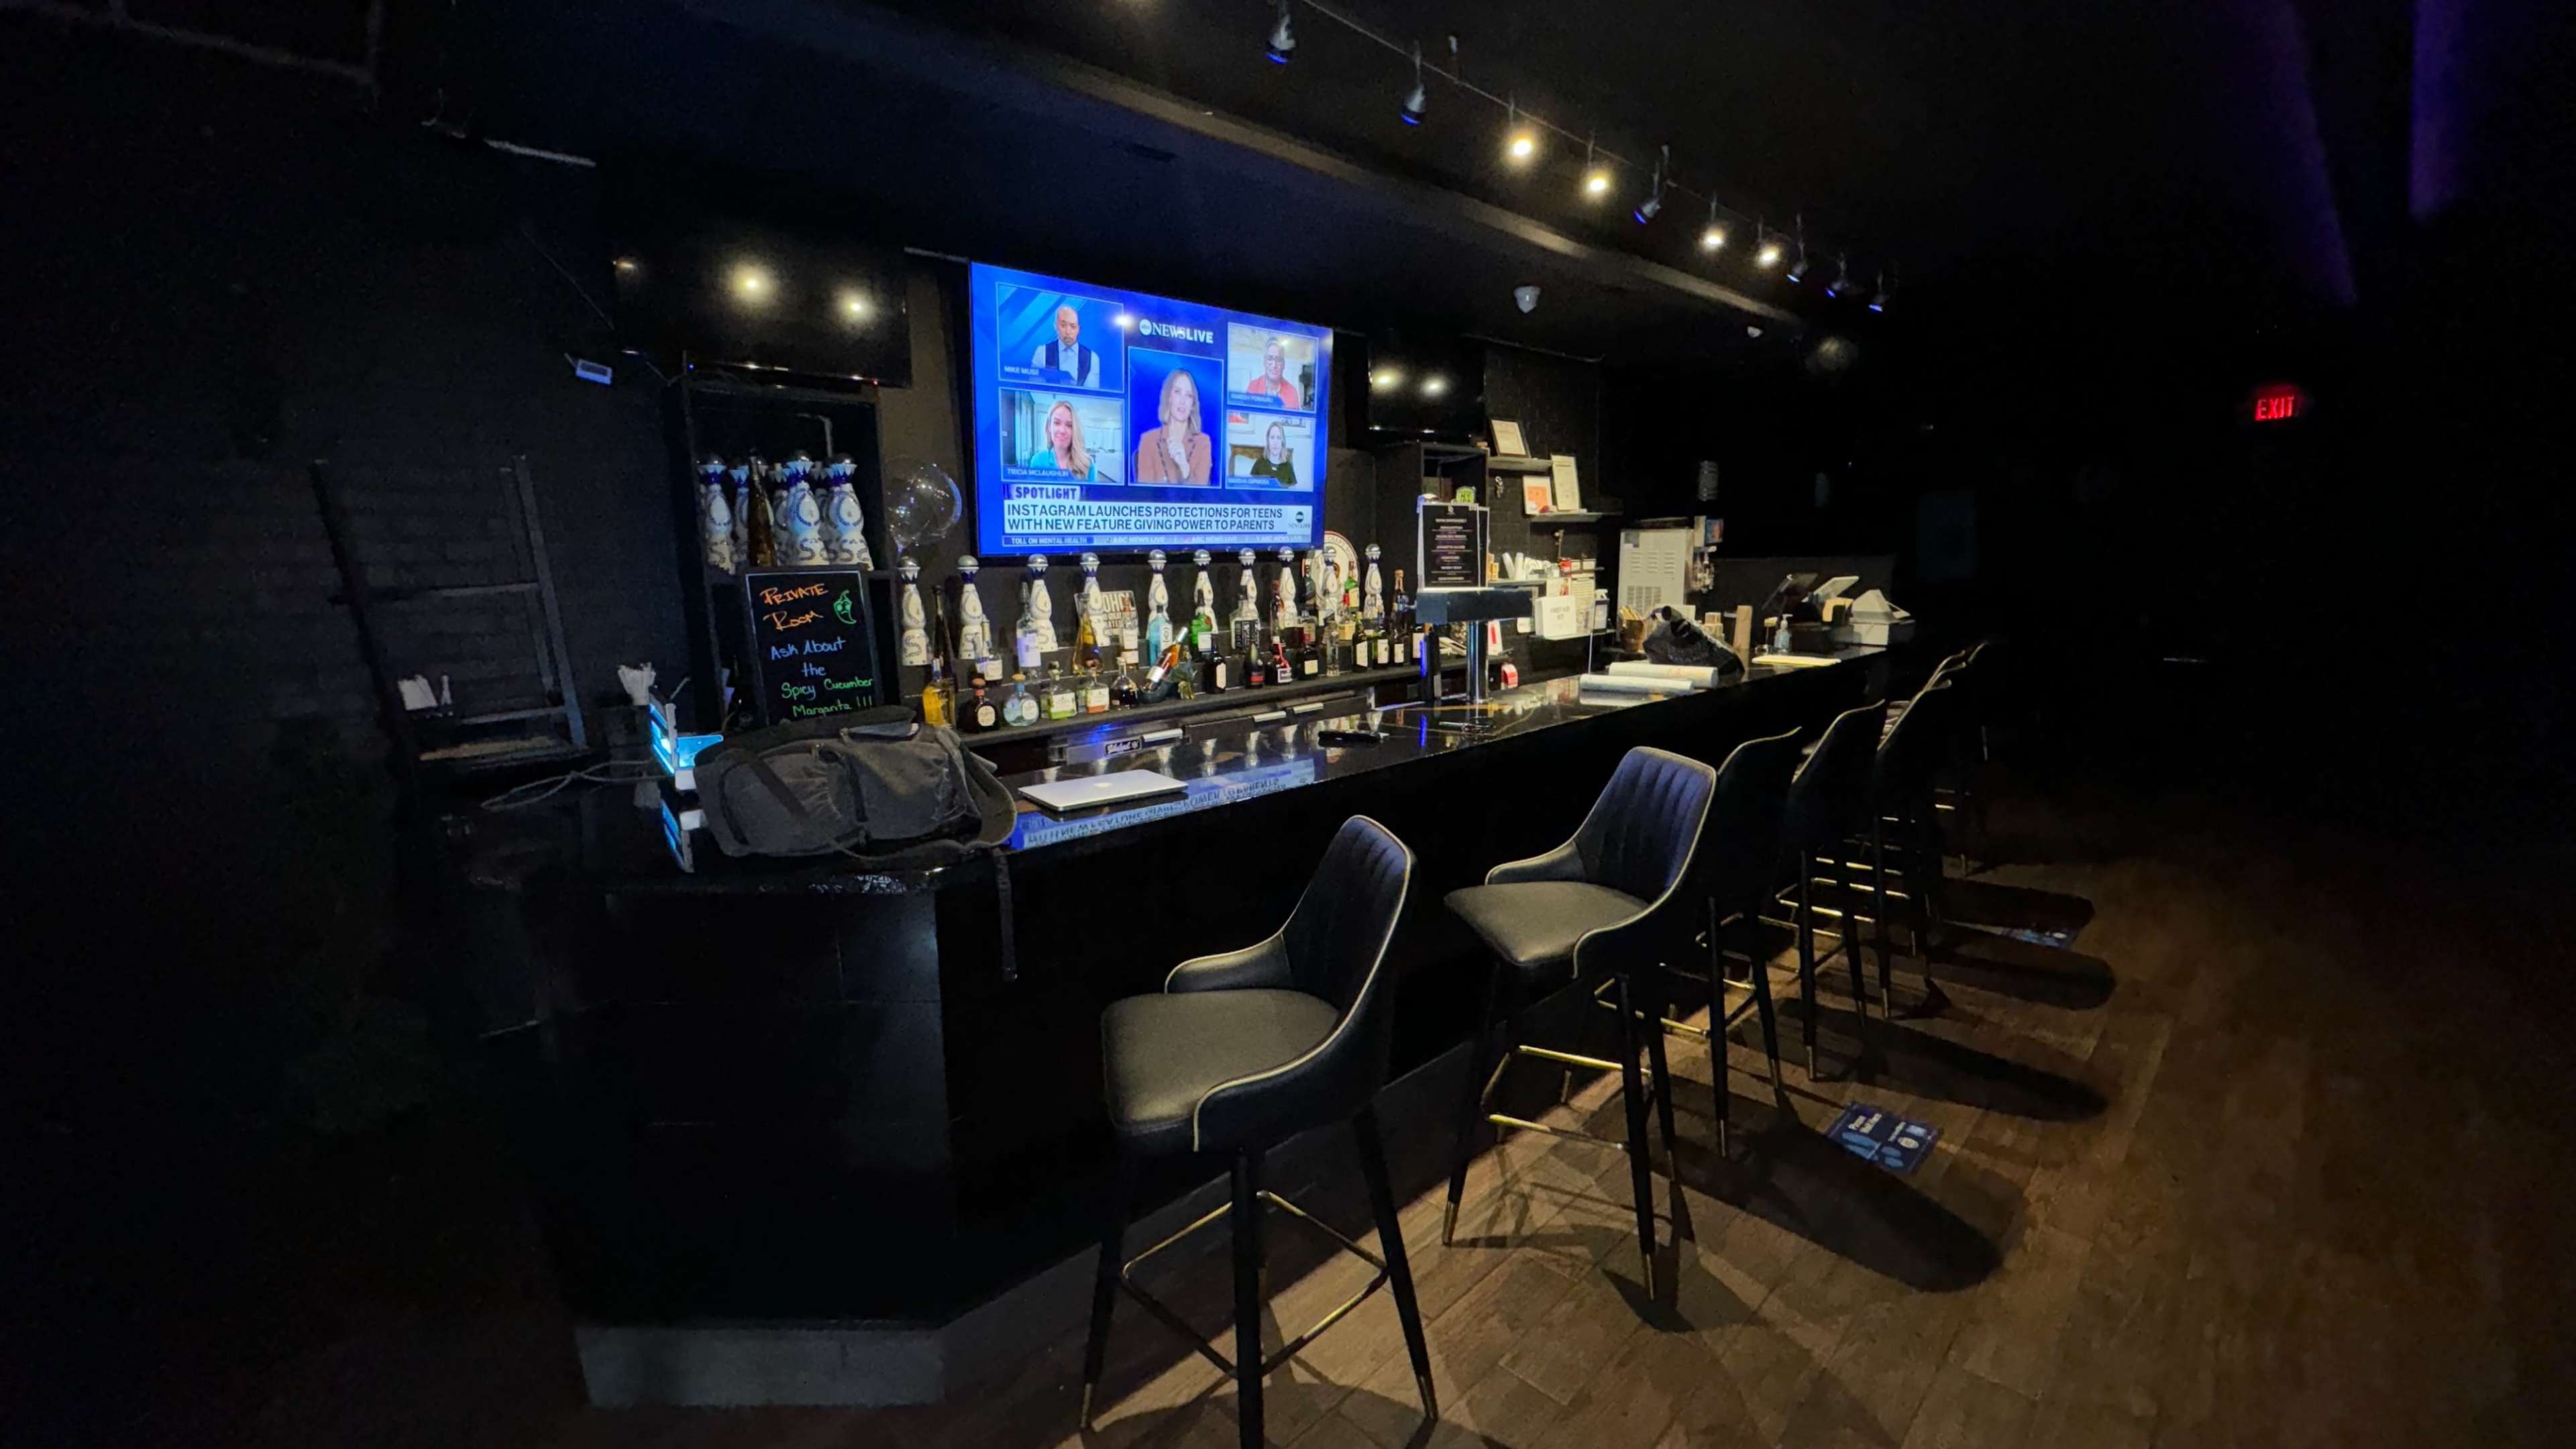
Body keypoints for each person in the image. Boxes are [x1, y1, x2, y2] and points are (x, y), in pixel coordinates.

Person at [1134, 366, 1212, 484]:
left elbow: (1202, 496)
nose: (1183, 401)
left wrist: (1185, 467)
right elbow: (1145, 494)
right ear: (1169, 397)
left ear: (1192, 404)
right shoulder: (1148, 440)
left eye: (1189, 395)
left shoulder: (1203, 443)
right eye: (1177, 392)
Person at [1028, 305, 1102, 388]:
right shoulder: (1042, 352)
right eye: (1063, 326)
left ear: (1078, 329)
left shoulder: (1092, 358)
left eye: (1073, 327)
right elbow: (1035, 389)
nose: (1068, 331)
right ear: (1056, 326)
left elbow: (1091, 395)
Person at [1024, 399, 1093, 478]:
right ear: (1049, 426)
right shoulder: (1038, 461)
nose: (1062, 430)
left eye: (1069, 425)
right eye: (1057, 423)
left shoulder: (1088, 464)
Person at [1244, 336, 1303, 409]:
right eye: (1270, 359)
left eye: (1278, 360)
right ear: (1264, 362)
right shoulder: (1253, 386)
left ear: (1283, 365)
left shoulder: (1292, 392)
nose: (1274, 365)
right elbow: (1244, 418)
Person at [1247, 420, 1299, 488]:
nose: (1275, 442)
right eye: (1272, 437)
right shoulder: (1259, 463)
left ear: (1282, 442)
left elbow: (1293, 494)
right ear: (1268, 441)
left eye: (1279, 438)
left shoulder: (1288, 467)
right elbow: (1250, 490)